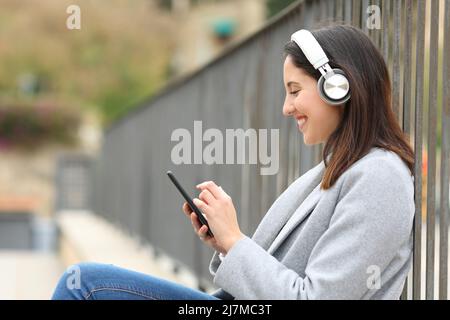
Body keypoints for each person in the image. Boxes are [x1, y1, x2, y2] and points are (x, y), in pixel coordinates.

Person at [51, 24, 415, 300]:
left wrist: (235, 240)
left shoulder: (381, 175)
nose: (286, 108)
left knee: (86, 285)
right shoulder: (340, 167)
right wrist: (225, 241)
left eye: (294, 91)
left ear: (337, 86)